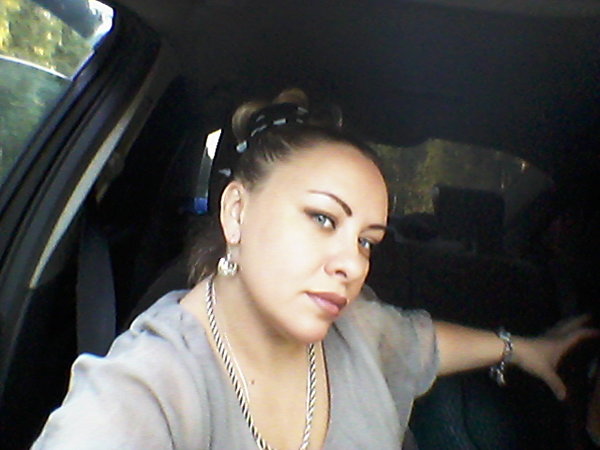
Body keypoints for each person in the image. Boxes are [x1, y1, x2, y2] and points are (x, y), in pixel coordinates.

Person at [33, 89, 597, 449]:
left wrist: (523, 349)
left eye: (368, 241)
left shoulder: (356, 329)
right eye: (324, 219)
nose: (353, 264)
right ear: (236, 211)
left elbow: (421, 340)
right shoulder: (150, 388)